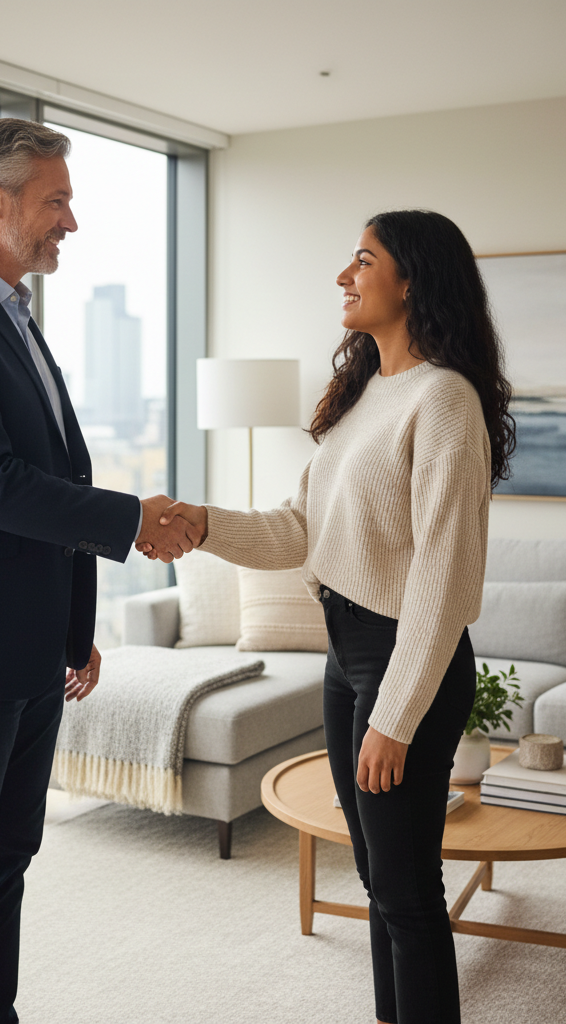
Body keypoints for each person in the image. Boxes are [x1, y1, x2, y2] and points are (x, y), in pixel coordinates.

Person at [144, 210, 515, 1024]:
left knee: (410, 893)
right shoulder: (363, 398)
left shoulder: (444, 401)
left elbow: (444, 583)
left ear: (411, 279)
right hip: (344, 658)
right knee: (380, 881)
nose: (344, 277)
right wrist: (202, 523)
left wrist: (397, 714)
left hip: (402, 663)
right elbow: (299, 532)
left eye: (362, 260)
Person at [0, 118, 198, 1024]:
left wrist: (72, 630)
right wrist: (137, 521)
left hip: (27, 645)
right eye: (56, 200)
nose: (70, 221)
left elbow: (55, 474)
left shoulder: (12, 313)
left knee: (5, 863)